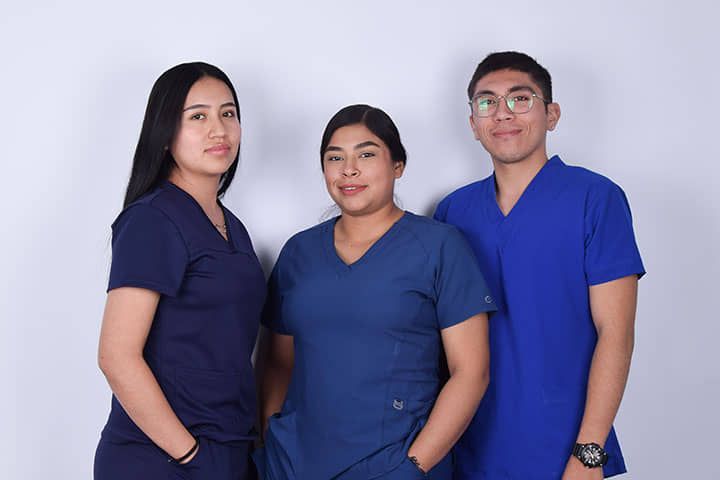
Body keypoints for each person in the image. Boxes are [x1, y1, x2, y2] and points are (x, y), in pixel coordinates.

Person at [254, 104, 496, 479]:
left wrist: (415, 465)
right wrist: (272, 442)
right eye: (335, 158)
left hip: (394, 464)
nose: (349, 169)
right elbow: (276, 364)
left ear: (398, 165)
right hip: (296, 466)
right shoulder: (299, 252)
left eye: (366, 155)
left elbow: (471, 373)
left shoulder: (440, 247)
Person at [433, 51, 645, 479]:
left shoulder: (595, 199)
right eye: (487, 102)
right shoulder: (453, 211)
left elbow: (616, 333)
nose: (503, 113)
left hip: (564, 448)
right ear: (473, 123)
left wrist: (589, 451)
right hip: (468, 447)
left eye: (520, 99)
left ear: (552, 115)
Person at [93, 62, 265, 480]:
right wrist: (189, 455)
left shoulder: (232, 227)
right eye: (198, 117)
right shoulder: (152, 219)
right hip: (162, 458)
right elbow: (116, 356)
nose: (219, 130)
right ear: (166, 133)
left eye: (228, 113)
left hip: (228, 449)